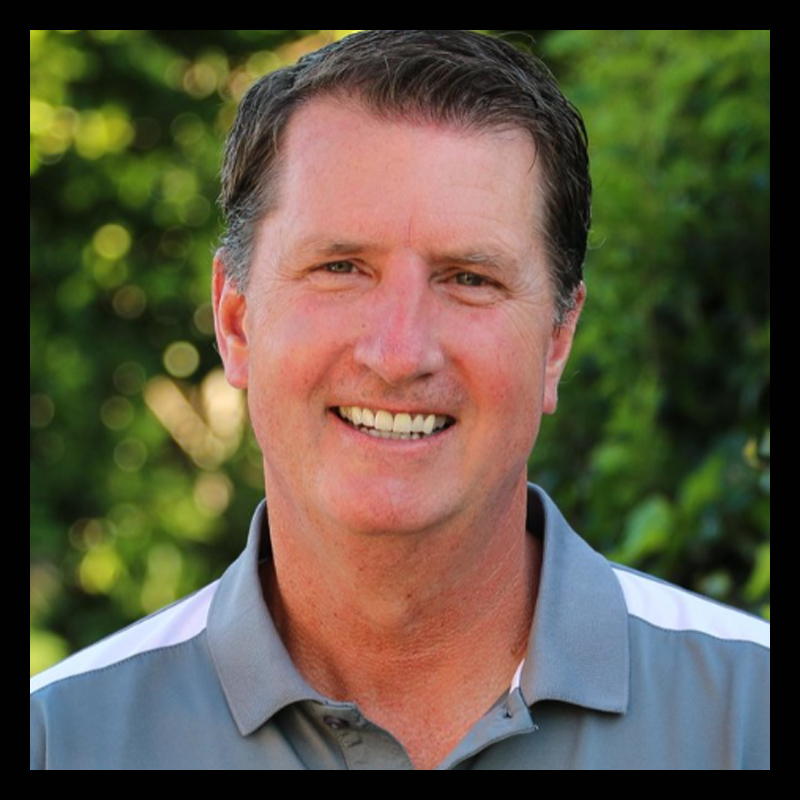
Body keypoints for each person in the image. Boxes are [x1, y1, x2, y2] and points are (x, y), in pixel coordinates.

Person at [30, 29, 769, 771]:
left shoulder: (752, 718)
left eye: (470, 279)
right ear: (236, 321)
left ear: (556, 341)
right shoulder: (59, 742)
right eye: (341, 268)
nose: (399, 353)